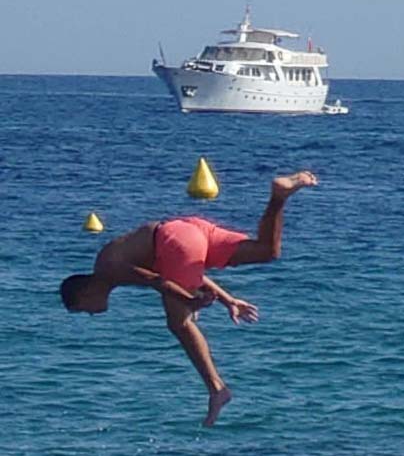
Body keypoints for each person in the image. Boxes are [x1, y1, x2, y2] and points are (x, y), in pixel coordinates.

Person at [60, 171, 318, 426]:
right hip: (189, 231)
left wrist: (190, 301)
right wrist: (228, 300)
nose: (91, 313)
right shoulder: (111, 269)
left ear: (84, 293)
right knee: (266, 251)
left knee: (178, 323)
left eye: (84, 309)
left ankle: (217, 389)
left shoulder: (107, 268)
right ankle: (279, 196)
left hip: (173, 240)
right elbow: (181, 269)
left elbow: (158, 281)